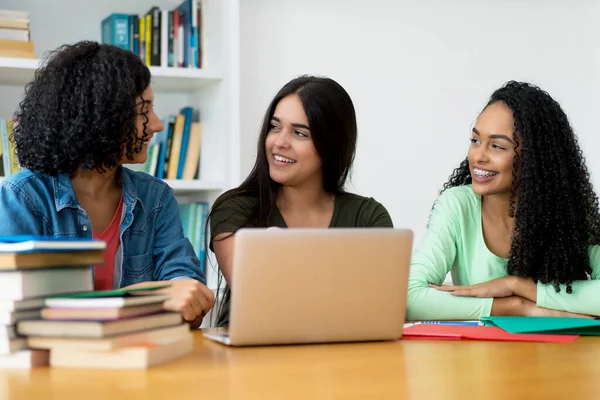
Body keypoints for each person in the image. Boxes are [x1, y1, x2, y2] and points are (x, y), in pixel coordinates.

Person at [0, 41, 214, 327]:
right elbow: (20, 316)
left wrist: (182, 293)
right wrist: (134, 297)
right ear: (100, 117)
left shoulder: (155, 197)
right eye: (144, 111)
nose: (157, 125)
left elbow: (189, 299)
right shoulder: (21, 198)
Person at [208, 75, 393, 326]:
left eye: (299, 133)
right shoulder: (234, 209)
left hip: (343, 359)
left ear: (331, 145)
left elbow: (377, 307)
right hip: (252, 360)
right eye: (275, 127)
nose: (279, 142)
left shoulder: (369, 217)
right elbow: (262, 301)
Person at [407, 80, 600, 320]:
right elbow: (409, 299)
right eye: (475, 140)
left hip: (562, 355)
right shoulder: (457, 205)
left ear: (535, 158)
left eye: (497, 146)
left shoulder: (571, 213)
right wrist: (518, 307)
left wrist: (517, 286)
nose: (478, 156)